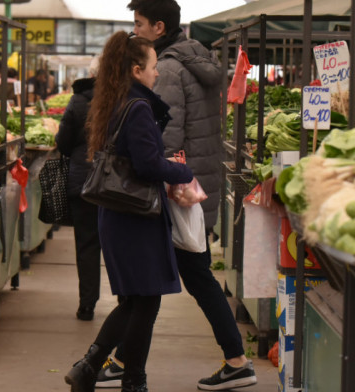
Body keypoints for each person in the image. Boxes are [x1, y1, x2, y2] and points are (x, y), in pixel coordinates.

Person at [95, 1, 258, 391]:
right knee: (183, 278)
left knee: (152, 283)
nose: (134, 32)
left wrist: (164, 178)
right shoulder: (198, 58)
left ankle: (232, 361)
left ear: (158, 26)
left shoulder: (165, 67)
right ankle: (124, 360)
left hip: (177, 190)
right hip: (199, 184)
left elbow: (162, 135)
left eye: (139, 24)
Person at [64, 31, 193, 392]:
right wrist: (182, 171)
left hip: (120, 214)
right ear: (137, 69)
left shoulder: (117, 101)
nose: (157, 74)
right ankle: (130, 379)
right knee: (145, 299)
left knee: (138, 299)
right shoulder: (137, 108)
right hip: (135, 217)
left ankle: (91, 367)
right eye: (153, 67)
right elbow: (148, 165)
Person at [54, 58, 101, 321]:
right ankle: (124, 302)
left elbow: (63, 142)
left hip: (83, 182)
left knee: (86, 245)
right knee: (117, 243)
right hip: (116, 184)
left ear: (91, 74)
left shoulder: (78, 101)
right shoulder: (123, 100)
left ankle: (87, 305)